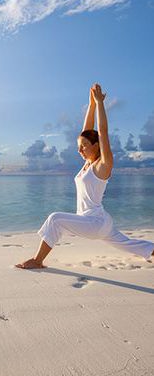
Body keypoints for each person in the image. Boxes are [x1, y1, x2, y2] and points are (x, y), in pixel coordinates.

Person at [16, 83, 154, 269]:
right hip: (99, 220)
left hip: (95, 222)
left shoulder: (103, 165)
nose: (80, 150)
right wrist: (91, 105)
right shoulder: (87, 164)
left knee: (55, 219)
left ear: (96, 146)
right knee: (128, 244)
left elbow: (102, 132)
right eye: (78, 147)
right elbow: (86, 132)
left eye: (84, 146)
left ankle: (38, 260)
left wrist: (101, 103)